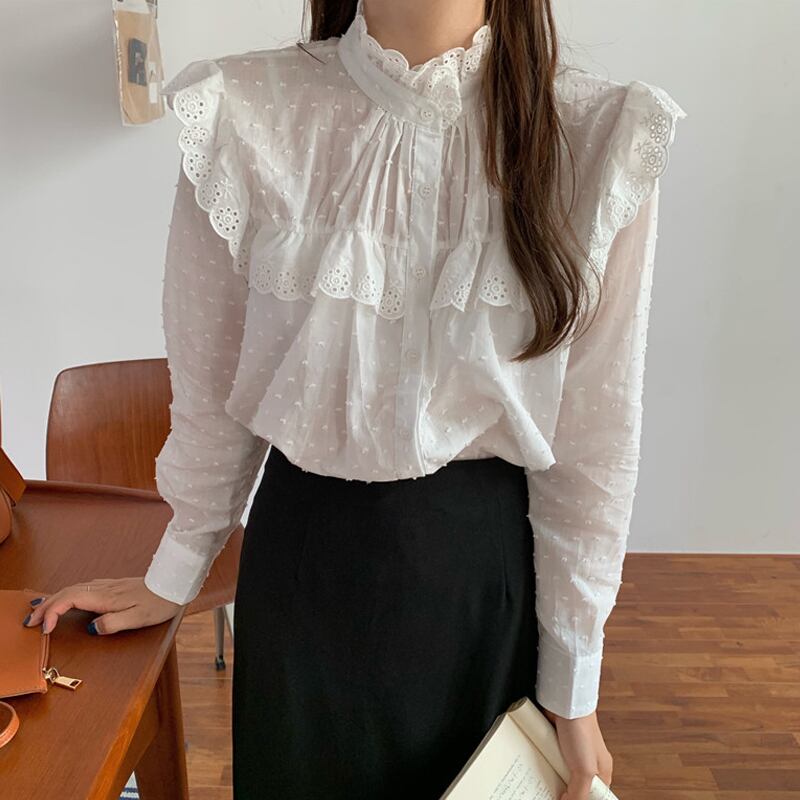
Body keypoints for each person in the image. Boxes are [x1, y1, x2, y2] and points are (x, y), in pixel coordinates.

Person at [22, 0, 687, 797]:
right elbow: (213, 394)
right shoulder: (246, 112)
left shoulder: (598, 133)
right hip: (304, 571)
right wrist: (174, 572)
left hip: (483, 583)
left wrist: (573, 687)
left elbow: (594, 443)